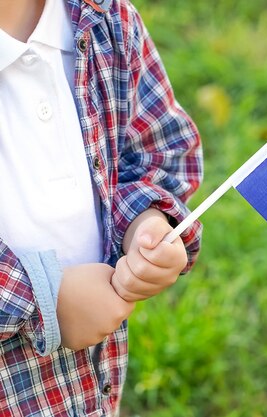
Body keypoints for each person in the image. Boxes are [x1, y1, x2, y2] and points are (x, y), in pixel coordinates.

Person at [0, 0, 203, 414]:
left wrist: (145, 221)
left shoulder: (107, 20)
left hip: (89, 391)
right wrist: (42, 299)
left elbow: (157, 150)